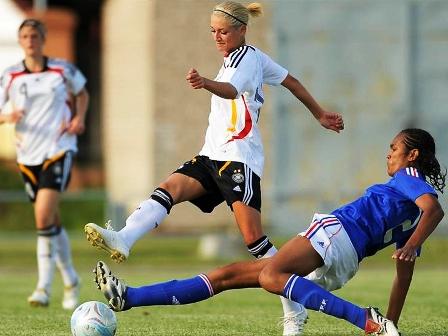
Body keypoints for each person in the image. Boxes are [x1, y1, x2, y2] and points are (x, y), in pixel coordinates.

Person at [85, 2, 342, 334]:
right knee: (170, 188)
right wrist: (319, 112)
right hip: (212, 156)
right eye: (213, 32)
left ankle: (294, 305)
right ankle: (124, 237)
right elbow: (291, 81)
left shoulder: (246, 60)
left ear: (241, 29)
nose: (217, 37)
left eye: (223, 31)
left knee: (254, 240)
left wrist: (205, 82)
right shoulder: (248, 59)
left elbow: (232, 90)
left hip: (238, 158)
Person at [94, 128, 445, 336]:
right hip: (343, 262)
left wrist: (413, 245)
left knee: (272, 274)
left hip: (336, 234)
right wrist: (393, 322)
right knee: (227, 275)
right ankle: (130, 298)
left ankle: (364, 320)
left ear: (412, 155)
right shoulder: (410, 212)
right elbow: (404, 271)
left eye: (394, 150)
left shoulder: (408, 180)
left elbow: (435, 208)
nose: (389, 156)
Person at [0, 19, 89, 309]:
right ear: (20, 40)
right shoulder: (11, 75)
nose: (29, 40)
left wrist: (79, 118)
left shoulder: (62, 69)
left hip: (58, 148)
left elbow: (82, 93)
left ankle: (43, 287)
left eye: (34, 35)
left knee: (42, 215)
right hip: (27, 155)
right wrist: (6, 117)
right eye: (24, 36)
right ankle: (72, 280)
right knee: (51, 220)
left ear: (43, 38)